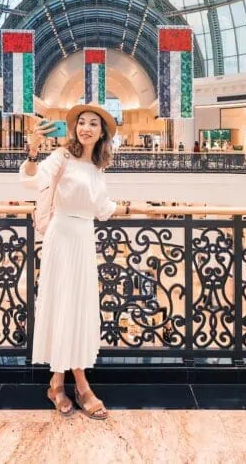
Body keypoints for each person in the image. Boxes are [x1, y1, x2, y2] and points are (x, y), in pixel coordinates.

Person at [21, 104, 149, 420]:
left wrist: (136, 208)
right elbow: (30, 182)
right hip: (61, 235)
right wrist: (33, 152)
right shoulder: (61, 157)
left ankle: (56, 384)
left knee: (78, 309)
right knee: (62, 306)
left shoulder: (97, 166)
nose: (86, 128)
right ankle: (81, 385)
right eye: (82, 122)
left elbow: (101, 206)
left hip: (82, 236)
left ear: (102, 132)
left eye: (93, 123)